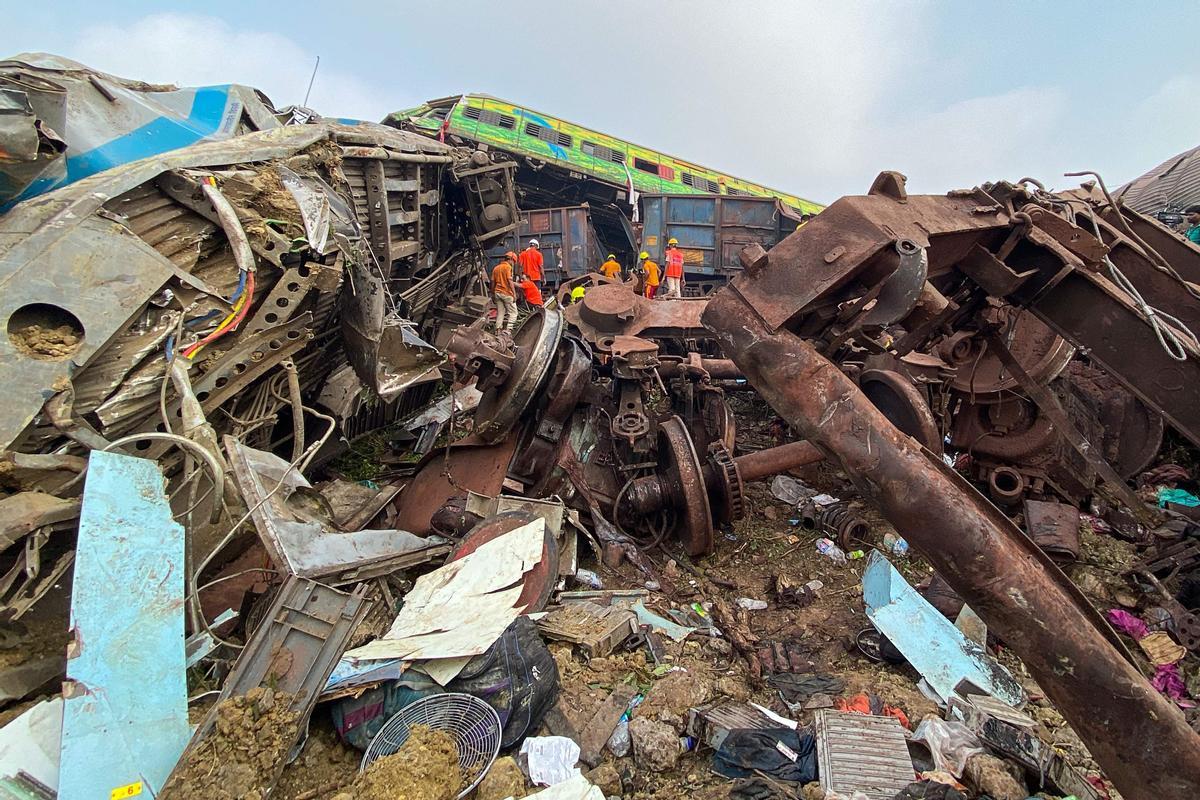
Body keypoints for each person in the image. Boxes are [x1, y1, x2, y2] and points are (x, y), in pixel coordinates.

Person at [491, 251, 518, 332]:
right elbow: (510, 281)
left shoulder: (496, 268)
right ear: (511, 260)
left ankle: (498, 330)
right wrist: (514, 294)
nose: (513, 264)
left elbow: (492, 282)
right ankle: (508, 331)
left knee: (500, 312)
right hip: (506, 293)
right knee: (513, 313)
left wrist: (492, 293)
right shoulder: (508, 268)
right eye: (513, 262)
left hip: (497, 293)